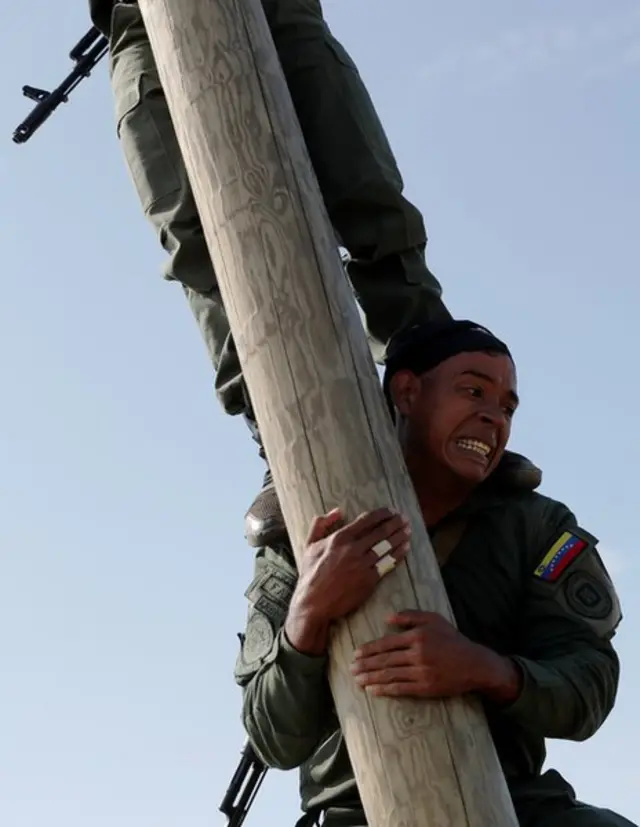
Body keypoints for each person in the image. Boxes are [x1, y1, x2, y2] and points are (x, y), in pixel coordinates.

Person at [234, 319, 635, 827]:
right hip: (354, 813)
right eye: (473, 391)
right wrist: (310, 613)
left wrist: (485, 669)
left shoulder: (536, 526)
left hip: (512, 805)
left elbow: (589, 687)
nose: (493, 418)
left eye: (507, 407)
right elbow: (273, 737)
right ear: (407, 391)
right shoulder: (310, 526)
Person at [88, 0, 460, 537]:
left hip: (279, 9)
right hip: (144, 24)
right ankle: (281, 445)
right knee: (198, 251)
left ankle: (444, 416)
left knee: (371, 202)